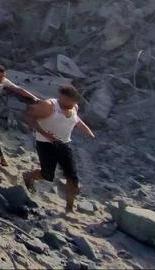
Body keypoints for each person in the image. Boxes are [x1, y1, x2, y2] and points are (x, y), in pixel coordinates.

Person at [22, 84, 95, 213]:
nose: (71, 105)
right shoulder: (49, 106)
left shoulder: (74, 107)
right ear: (62, 97)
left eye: (73, 103)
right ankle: (27, 176)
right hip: (45, 144)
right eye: (69, 102)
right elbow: (29, 117)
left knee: (72, 177)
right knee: (47, 175)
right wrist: (44, 134)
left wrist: (87, 130)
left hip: (64, 143)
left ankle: (69, 208)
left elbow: (76, 119)